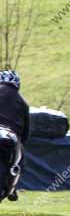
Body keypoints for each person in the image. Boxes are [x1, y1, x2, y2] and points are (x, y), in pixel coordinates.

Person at [0, 70, 28, 201]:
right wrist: (22, 142)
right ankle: (12, 189)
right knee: (19, 163)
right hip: (11, 136)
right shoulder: (22, 102)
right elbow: (26, 130)